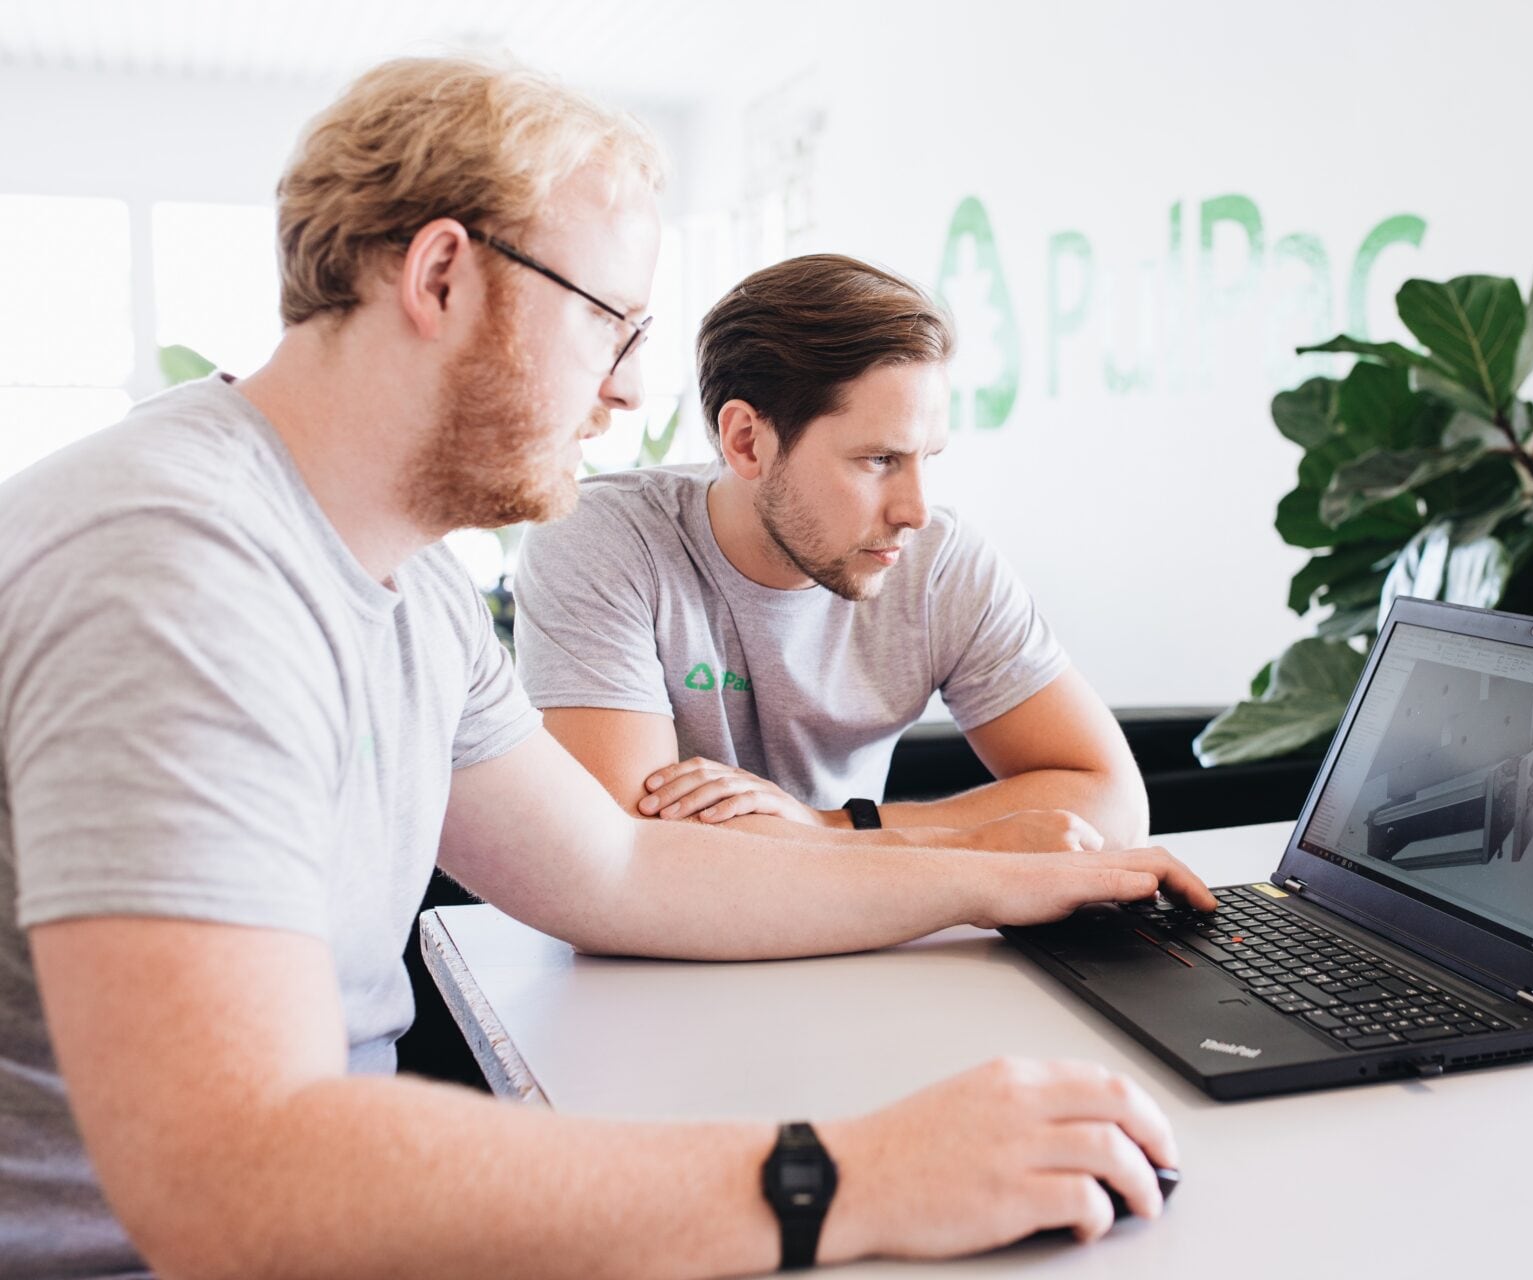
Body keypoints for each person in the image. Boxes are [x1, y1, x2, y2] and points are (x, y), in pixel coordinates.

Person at [0, 56, 1215, 1278]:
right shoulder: (175, 570)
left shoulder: (407, 584)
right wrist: (850, 1173)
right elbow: (232, 1180)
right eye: (608, 322)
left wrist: (990, 880)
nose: (631, 387)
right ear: (440, 276)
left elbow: (616, 864)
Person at [513, 253, 1150, 854]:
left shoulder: (939, 564)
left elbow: (1114, 804)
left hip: (868, 937)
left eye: (926, 459)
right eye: (879, 460)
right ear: (747, 441)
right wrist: (966, 843)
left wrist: (833, 828)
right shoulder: (603, 540)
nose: (916, 512)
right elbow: (629, 854)